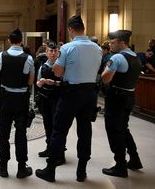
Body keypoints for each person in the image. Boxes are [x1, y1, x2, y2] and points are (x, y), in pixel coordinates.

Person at [35, 15, 102, 183]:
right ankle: (81, 171)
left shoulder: (68, 48)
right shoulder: (97, 48)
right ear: (83, 28)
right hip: (90, 94)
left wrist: (61, 64)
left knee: (59, 130)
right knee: (85, 131)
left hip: (71, 93)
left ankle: (50, 169)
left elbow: (57, 72)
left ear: (71, 29)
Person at [0, 28, 34, 178]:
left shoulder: (2, 56)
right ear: (21, 41)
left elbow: (2, 73)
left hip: (6, 99)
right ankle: (22, 167)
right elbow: (30, 81)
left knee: (4, 132)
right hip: (21, 99)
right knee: (21, 133)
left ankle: (3, 166)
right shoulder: (28, 58)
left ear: (9, 40)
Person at [101, 30, 143, 178]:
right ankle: (134, 159)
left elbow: (106, 78)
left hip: (116, 97)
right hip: (129, 96)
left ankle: (120, 165)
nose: (110, 45)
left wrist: (104, 71)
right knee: (123, 128)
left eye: (113, 42)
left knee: (114, 130)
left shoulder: (118, 57)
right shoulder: (136, 57)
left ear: (121, 42)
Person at [35, 41, 63, 161]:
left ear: (58, 53)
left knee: (58, 126)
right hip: (45, 99)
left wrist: (55, 83)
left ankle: (59, 153)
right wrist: (41, 82)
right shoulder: (43, 66)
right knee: (48, 124)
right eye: (50, 51)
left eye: (55, 51)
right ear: (46, 53)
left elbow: (66, 83)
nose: (52, 53)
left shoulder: (62, 66)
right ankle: (49, 148)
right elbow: (37, 84)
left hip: (57, 99)